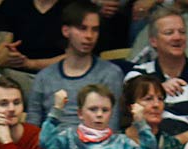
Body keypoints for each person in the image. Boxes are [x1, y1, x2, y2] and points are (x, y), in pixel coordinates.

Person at [23, 1, 123, 133]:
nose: (89, 36)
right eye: (82, 28)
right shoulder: (44, 77)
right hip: (50, 148)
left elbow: (111, 127)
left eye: (95, 30)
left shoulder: (110, 74)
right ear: (66, 31)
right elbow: (32, 128)